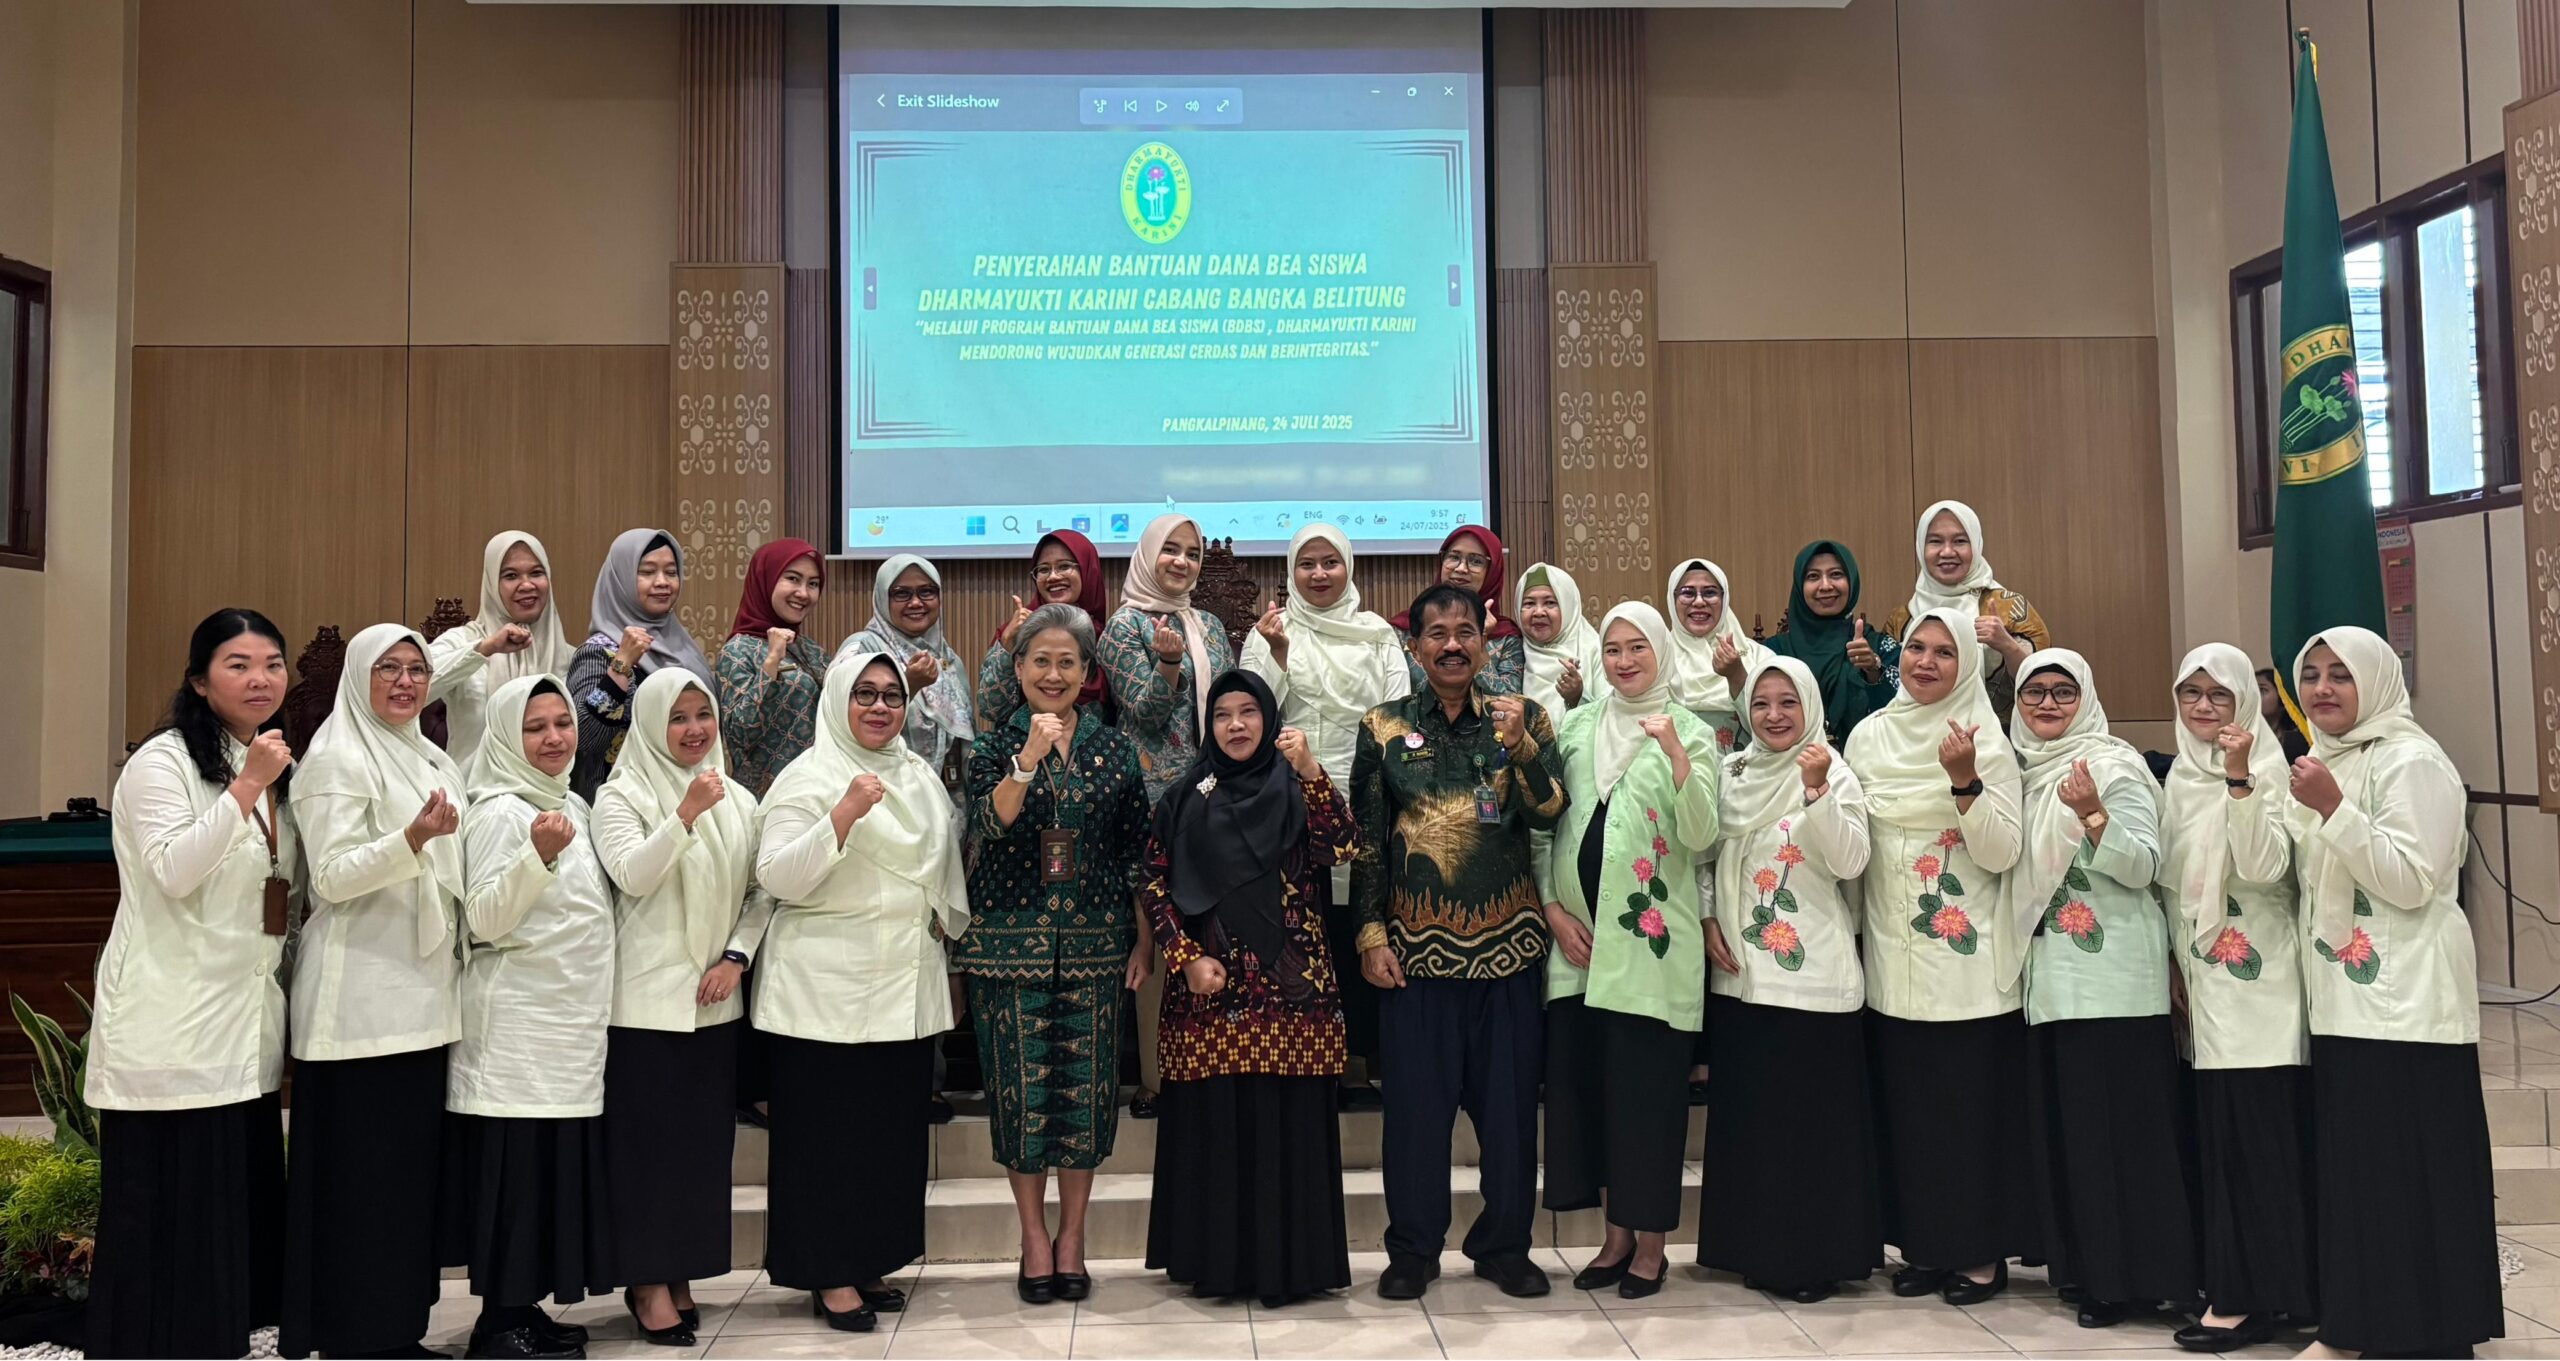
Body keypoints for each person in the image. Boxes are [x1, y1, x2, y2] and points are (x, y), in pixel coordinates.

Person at [2287, 627, 2502, 1359]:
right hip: (2345, 1001)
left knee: (2414, 1172)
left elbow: (2412, 881)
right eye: (2312, 674)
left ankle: (2429, 1332)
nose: (2322, 688)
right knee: (2361, 1177)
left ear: (2377, 680)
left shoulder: (2415, 760)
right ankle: (2358, 1327)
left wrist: (2334, 810)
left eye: (2341, 674)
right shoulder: (2326, 760)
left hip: (2410, 1005)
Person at [86, 609, 295, 1361]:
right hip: (171, 1018)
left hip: (241, 1016)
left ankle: (222, 1332)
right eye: (238, 664)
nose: (260, 678)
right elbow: (174, 870)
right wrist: (247, 786)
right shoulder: (162, 762)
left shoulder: (264, 759)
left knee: (227, 1199)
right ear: (200, 681)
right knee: (169, 1202)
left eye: (272, 663)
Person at [1350, 584, 1565, 1303]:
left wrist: (1521, 746)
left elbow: (1549, 811)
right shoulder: (1382, 727)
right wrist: (1371, 933)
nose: (1451, 644)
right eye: (1436, 633)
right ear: (1415, 647)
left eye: (1464, 631)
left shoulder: (1522, 716)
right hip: (1415, 959)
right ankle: (1413, 1250)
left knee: (1509, 1118)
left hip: (1508, 955)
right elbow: (1368, 844)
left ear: (1484, 641)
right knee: (1415, 1118)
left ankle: (1505, 1247)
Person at [753, 653, 969, 1333]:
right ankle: (828, 1270)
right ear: (840, 700)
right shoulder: (808, 776)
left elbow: (941, 868)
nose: (880, 707)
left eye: (892, 696)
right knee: (826, 1140)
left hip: (903, 981)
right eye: (865, 694)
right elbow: (777, 876)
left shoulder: (917, 774)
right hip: (823, 991)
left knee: (886, 1136)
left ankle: (871, 1255)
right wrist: (842, 816)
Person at [1140, 671, 1360, 1306]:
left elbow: (1345, 846)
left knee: (1288, 1126)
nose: (1235, 725)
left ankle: (1294, 1266)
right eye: (1221, 715)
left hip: (1293, 994)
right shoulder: (1184, 796)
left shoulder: (1298, 787)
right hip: (1210, 993)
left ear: (1270, 718)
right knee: (1217, 1126)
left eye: (1248, 712)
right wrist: (1184, 958)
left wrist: (1312, 771)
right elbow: (1153, 882)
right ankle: (1217, 1266)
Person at [957, 604, 1154, 1305]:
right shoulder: (990, 746)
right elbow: (987, 824)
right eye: (1040, 660)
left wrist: (1144, 937)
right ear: (1017, 669)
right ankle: (1033, 1238)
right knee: (1023, 1102)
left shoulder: (1114, 750)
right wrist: (1026, 762)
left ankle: (1073, 1237)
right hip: (1007, 951)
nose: (1053, 673)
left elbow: (1136, 851)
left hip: (1098, 947)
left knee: (1085, 1102)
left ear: (1087, 672)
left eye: (1067, 661)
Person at [282, 623, 469, 1359]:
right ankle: (355, 1334)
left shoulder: (429, 754)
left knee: (405, 1183)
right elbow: (330, 877)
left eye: (416, 669)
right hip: (358, 1005)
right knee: (360, 1184)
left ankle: (396, 1329)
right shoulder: (336, 757)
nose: (404, 681)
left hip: (422, 996)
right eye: (387, 668)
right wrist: (411, 841)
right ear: (358, 676)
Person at [1843, 609, 2029, 1306]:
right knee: (1911, 1114)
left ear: (1966, 665)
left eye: (1945, 652)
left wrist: (1964, 781)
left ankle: (1978, 1252)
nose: (1925, 661)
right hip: (1892, 953)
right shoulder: (1868, 735)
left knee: (1967, 1115)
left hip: (1965, 961)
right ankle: (1925, 1245)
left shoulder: (1986, 740)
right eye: (1917, 647)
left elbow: (2002, 851)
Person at [1534, 603, 1719, 1299]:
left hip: (1651, 951)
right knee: (1594, 1097)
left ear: (1661, 651)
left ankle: (1651, 1248)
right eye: (1612, 648)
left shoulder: (1692, 731)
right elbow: (1544, 827)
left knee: (1647, 1100)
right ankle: (1614, 1238)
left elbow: (1701, 834)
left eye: (1638, 646)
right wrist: (1552, 909)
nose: (1624, 660)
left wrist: (1676, 756)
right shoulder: (1577, 726)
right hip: (1576, 952)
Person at [2008, 649, 2192, 1328]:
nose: (2047, 704)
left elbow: (2145, 866)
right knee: (2077, 1139)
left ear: (2085, 697)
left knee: (2126, 1140)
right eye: (2034, 692)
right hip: (2052, 984)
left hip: (2116, 984)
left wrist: (2092, 815)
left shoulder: (2116, 765)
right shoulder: (2022, 772)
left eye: (2063, 692)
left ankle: (2137, 1279)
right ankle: (2089, 1270)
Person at [592, 670, 771, 1347]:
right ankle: (646, 1281)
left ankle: (682, 1267)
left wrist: (736, 957)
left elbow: (761, 892)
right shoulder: (621, 795)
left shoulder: (738, 797)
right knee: (647, 1152)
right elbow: (633, 874)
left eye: (703, 714)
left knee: (699, 1152)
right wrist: (685, 814)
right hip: (644, 1006)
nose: (695, 729)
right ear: (648, 724)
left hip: (714, 1003)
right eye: (678, 717)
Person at [444, 675, 618, 1360]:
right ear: (506, 737)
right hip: (517, 1027)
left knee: (545, 1175)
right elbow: (484, 918)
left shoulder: (568, 801)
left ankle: (525, 1308)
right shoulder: (496, 810)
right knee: (514, 1179)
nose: (553, 738)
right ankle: (497, 1323)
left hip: (566, 1025)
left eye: (562, 723)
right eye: (535, 727)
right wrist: (537, 856)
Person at [1696, 656, 1878, 1304]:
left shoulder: (1833, 770)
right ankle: (1752, 1249)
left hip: (1813, 982)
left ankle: (1813, 1259)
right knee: (1755, 1125)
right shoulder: (1733, 772)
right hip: (1742, 979)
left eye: (1788, 703)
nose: (1774, 715)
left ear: (1809, 707)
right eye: (1762, 703)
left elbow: (1851, 859)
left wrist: (1818, 791)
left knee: (1809, 1130)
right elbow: (1706, 856)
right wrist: (1708, 916)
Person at [2159, 644, 2315, 1353]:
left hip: (2260, 980)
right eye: (2190, 693)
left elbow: (2263, 866)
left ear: (2245, 703)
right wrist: (2173, 963)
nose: (2203, 707)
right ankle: (2246, 1286)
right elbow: (2170, 882)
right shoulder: (2178, 776)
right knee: (2221, 1138)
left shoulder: (2269, 768)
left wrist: (2240, 778)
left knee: (2259, 1138)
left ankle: (2252, 1297)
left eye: (2218, 694)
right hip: (2201, 980)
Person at [1239, 522, 1407, 1112]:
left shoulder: (1377, 632)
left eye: (1329, 562)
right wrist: (1280, 656)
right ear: (1291, 571)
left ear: (1349, 567)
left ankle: (1356, 1063)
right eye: (1306, 563)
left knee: (1355, 920)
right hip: (1291, 796)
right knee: (1301, 927)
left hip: (1365, 791)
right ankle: (1304, 1060)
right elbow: (1248, 713)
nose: (1318, 574)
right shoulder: (1270, 630)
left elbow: (1396, 712)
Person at [1099, 513, 1232, 1119]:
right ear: (1148, 556)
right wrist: (1169, 666)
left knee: (1212, 933)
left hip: (1215, 799)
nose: (1182, 561)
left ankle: (1208, 1064)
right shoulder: (1123, 626)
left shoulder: (1209, 624)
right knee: (1154, 934)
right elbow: (1145, 714)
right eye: (1170, 550)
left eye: (1192, 553)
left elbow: (1230, 708)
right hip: (1152, 801)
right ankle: (1154, 1077)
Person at [569, 528, 716, 801]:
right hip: (623, 803)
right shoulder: (598, 653)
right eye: (647, 572)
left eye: (671, 572)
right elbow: (583, 739)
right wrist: (621, 666)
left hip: (688, 795)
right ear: (621, 579)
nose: (662, 582)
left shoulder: (684, 647)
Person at [1885, 501, 2050, 726]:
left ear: (1976, 544)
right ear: (1920, 548)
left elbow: (2045, 683)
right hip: (1916, 733)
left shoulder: (2010, 607)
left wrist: (2006, 645)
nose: (1947, 552)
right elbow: (1890, 690)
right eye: (1935, 541)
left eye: (1960, 541)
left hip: (1997, 737)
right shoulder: (1903, 618)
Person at [429, 531, 575, 762]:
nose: (526, 585)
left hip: (549, 784)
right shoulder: (462, 642)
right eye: (510, 576)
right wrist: (484, 650)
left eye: (536, 573)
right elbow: (417, 689)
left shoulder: (568, 656)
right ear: (491, 584)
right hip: (472, 782)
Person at [842, 553, 974, 795]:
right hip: (886, 796)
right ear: (883, 598)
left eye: (927, 592)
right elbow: (841, 724)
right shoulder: (863, 650)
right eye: (901, 593)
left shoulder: (948, 659)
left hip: (949, 799)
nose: (916, 603)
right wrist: (908, 685)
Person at [715, 538, 828, 798]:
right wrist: (771, 663)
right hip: (763, 798)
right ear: (764, 580)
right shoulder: (737, 650)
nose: (803, 593)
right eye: (793, 579)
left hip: (814, 790)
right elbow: (740, 735)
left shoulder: (809, 648)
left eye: (813, 584)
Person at [1764, 540, 1899, 745]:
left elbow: (1902, 714)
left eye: (1836, 574)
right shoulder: (1772, 653)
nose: (1826, 586)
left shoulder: (1879, 646)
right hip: (1792, 761)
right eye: (1813, 576)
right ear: (1799, 586)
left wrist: (1873, 670)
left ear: (1851, 581)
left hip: (1866, 760)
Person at [982, 529, 1114, 727]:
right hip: (1024, 743)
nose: (1053, 576)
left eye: (1064, 566)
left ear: (1088, 571)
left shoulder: (1107, 638)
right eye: (1043, 569)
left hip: (1095, 745)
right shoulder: (1014, 632)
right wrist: (1008, 645)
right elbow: (990, 709)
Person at [1392, 526, 1523, 696]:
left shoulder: (1506, 638)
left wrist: (1480, 641)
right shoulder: (1403, 629)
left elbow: (1509, 704)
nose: (1461, 568)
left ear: (1492, 572)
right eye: (1454, 557)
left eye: (1476, 561)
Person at [1662, 557, 1770, 752]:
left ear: (1724, 599)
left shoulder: (1759, 657)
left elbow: (1774, 726)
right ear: (1672, 599)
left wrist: (1737, 675)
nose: (1699, 602)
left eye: (1710, 593)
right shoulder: (1657, 660)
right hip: (1675, 768)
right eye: (1687, 593)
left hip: (1746, 768)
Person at [1516, 561, 1601, 720]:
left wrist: (1578, 696)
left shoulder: (1595, 651)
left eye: (1550, 603)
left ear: (1568, 606)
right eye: (1529, 603)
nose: (1539, 612)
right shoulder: (1512, 652)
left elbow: (1611, 712)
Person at [2254, 667, 2312, 764]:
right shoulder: (2246, 736)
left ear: (2282, 695)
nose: (2255, 696)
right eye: (2252, 691)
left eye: (2262, 690)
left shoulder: (2299, 740)